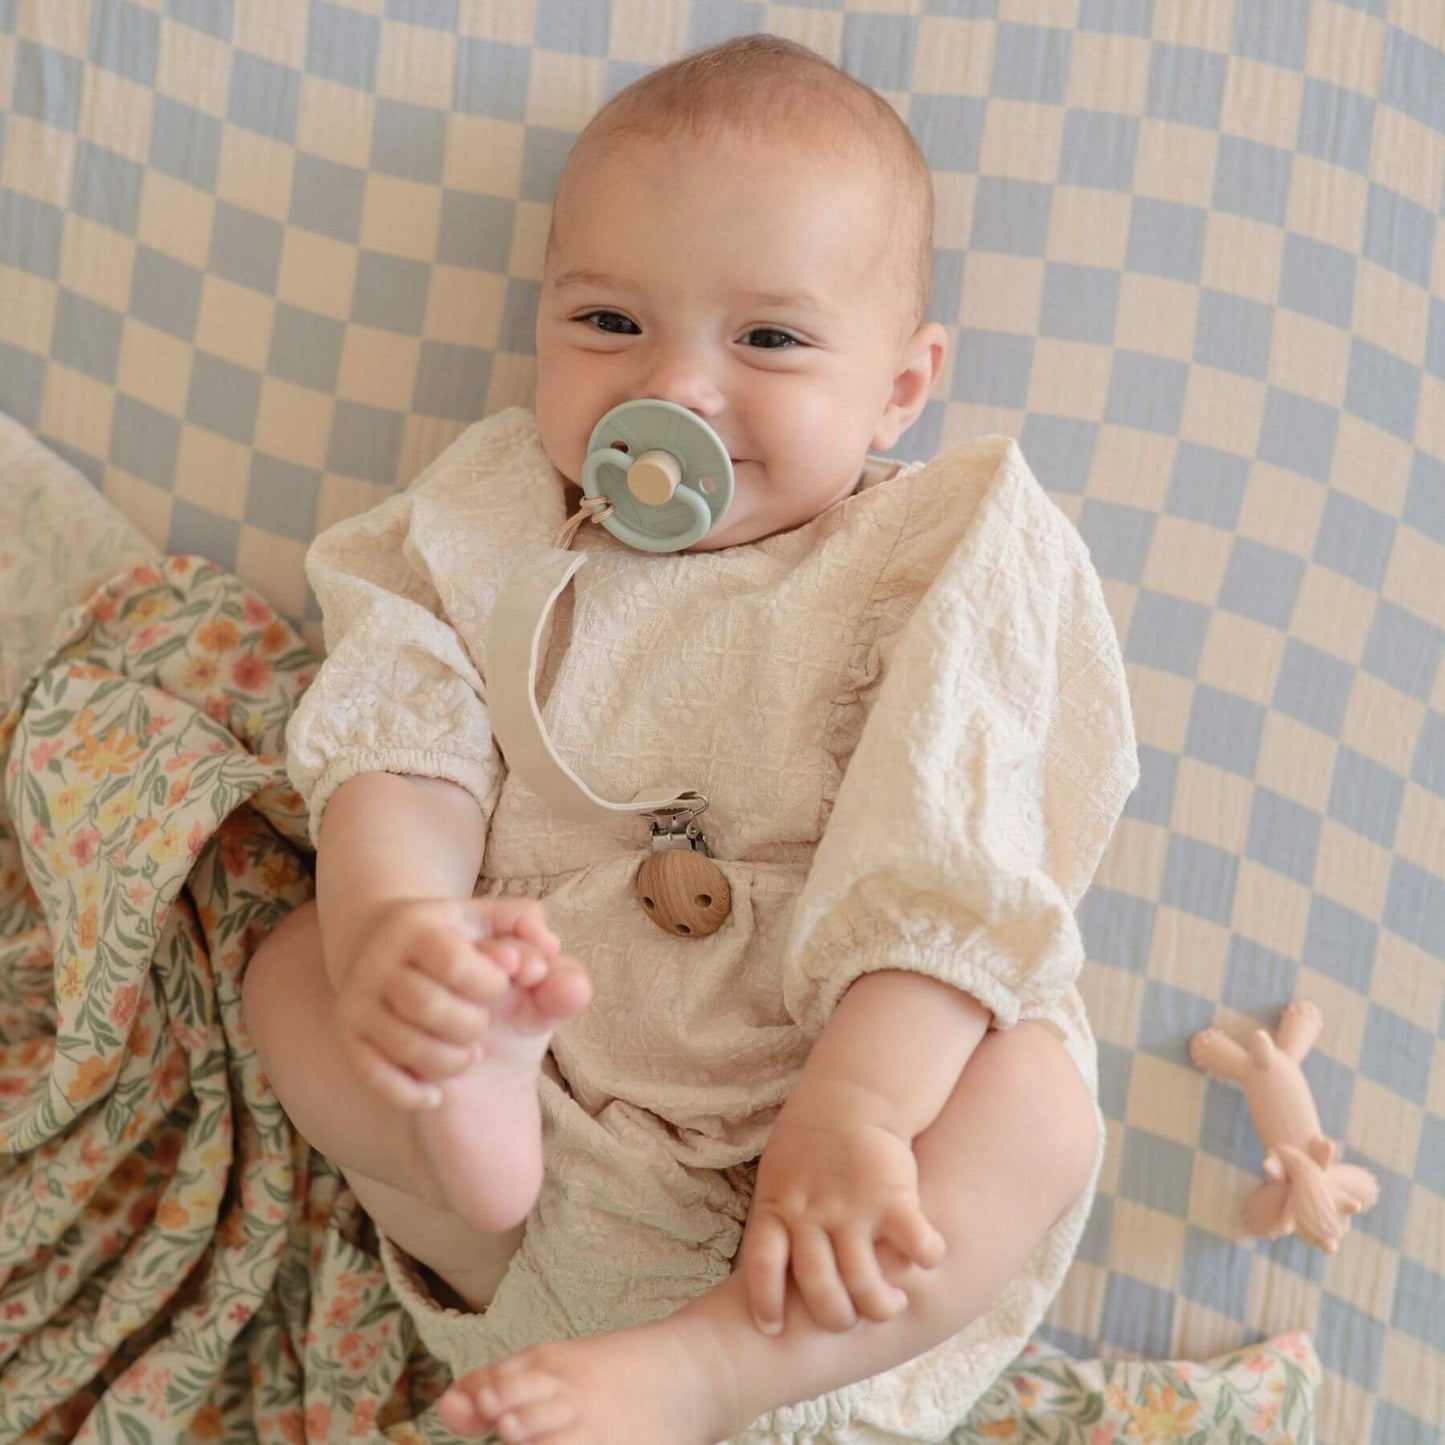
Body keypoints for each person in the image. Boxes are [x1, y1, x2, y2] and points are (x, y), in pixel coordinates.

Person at [241, 33, 1138, 1445]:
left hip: (828, 1199)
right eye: (607, 324)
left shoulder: (946, 549)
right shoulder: (487, 515)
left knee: (1032, 1096)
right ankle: (466, 1148)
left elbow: (962, 849)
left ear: (902, 387)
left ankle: (703, 1366)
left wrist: (854, 1109)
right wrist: (400, 934)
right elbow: (398, 734)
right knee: (296, 969)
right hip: (550, 1125)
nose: (676, 391)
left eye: (768, 338)